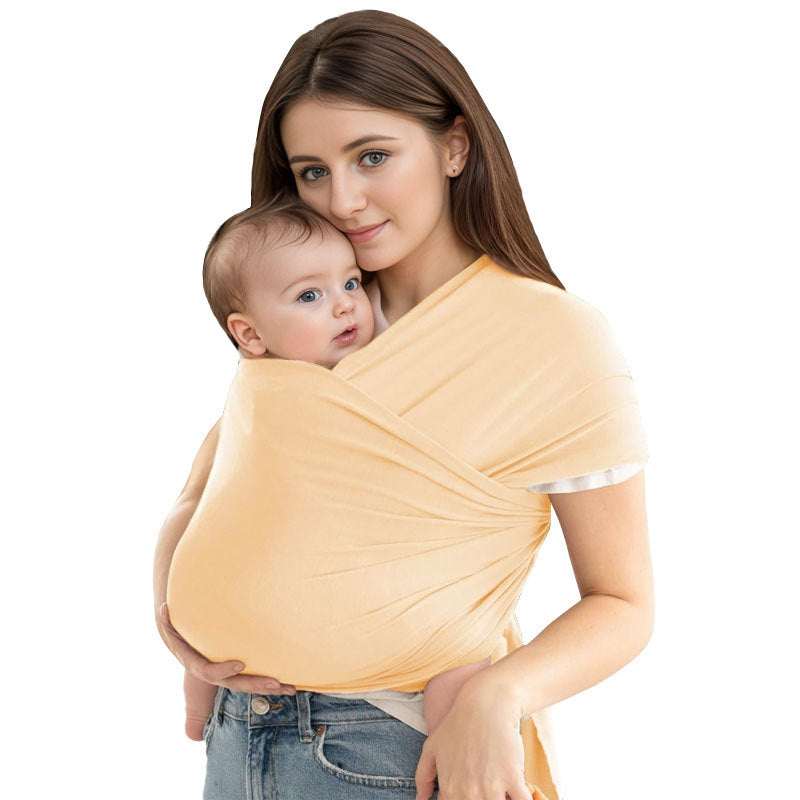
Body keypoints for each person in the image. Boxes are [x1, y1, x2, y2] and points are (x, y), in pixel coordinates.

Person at [153, 10, 653, 800]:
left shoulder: (553, 339)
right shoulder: (309, 314)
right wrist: (175, 614)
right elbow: (207, 493)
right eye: (311, 170)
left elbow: (622, 602)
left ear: (454, 146)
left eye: (372, 156)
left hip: (393, 746)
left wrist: (499, 694)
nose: (343, 199)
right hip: (237, 731)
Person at [179, 195, 495, 742]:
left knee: (465, 657)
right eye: (310, 296)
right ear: (250, 336)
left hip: (340, 663)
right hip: (231, 677)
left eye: (351, 283)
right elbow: (209, 496)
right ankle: (193, 713)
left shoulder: (384, 367)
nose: (346, 305)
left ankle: (452, 752)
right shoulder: (260, 393)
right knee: (463, 650)